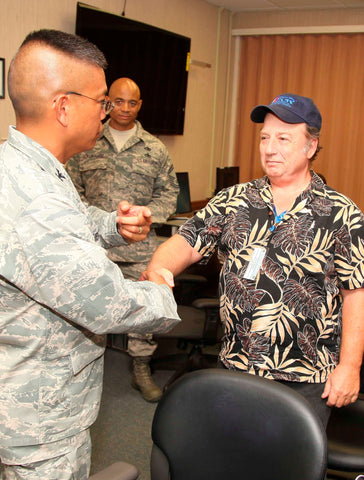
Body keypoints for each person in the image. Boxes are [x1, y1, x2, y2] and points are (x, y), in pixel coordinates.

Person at [0, 29, 180, 480]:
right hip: (39, 417)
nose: (107, 112)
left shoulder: (24, 167)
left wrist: (110, 227)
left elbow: (70, 218)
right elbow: (106, 304)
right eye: (102, 101)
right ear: (64, 107)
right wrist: (160, 290)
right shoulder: (38, 198)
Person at [144, 93, 364, 427]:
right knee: (231, 459)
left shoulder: (341, 214)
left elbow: (356, 294)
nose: (270, 147)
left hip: (305, 378)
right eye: (265, 137)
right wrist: (160, 268)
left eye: (283, 138)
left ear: (311, 146)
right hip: (236, 366)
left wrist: (350, 367)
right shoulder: (235, 200)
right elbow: (186, 242)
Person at [66, 77, 179, 402]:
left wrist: (145, 216)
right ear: (106, 104)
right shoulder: (87, 143)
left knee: (142, 311)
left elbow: (168, 194)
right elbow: (72, 194)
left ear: (139, 105)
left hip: (140, 246)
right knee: (84, 311)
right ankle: (83, 374)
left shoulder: (154, 149)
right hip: (94, 246)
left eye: (132, 102)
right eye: (117, 101)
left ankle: (141, 367)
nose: (125, 109)